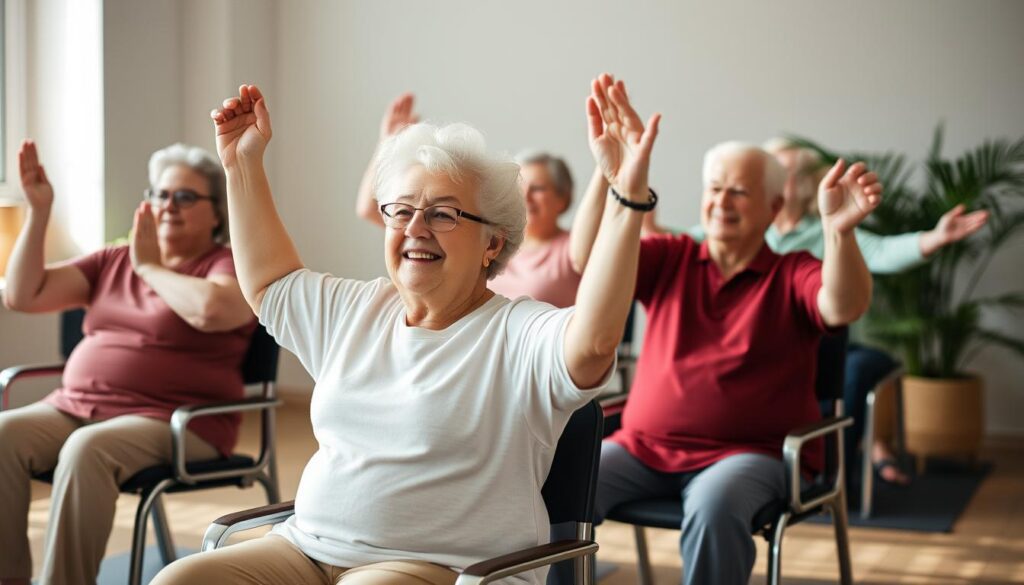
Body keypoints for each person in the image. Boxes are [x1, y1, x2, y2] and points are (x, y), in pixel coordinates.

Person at [152, 76, 659, 585]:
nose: (416, 227)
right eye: (402, 210)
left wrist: (626, 200)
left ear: (491, 244)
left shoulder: (520, 334)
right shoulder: (354, 309)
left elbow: (593, 344)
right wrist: (242, 164)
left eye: (442, 214)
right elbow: (268, 283)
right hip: (304, 549)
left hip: (444, 567)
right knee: (177, 581)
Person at [570, 130, 882, 585]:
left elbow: (843, 305)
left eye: (739, 191)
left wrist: (839, 232)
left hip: (750, 455)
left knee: (715, 505)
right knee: (559, 489)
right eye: (714, 189)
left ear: (775, 208)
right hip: (644, 448)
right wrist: (609, 173)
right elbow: (586, 260)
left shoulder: (792, 271)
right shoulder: (670, 257)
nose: (722, 202)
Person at [0, 141, 256, 585]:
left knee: (88, 449)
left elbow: (213, 310)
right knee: (3, 435)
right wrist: (40, 212)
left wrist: (151, 269)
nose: (168, 205)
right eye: (160, 194)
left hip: (178, 421)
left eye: (185, 196)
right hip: (77, 405)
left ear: (217, 212)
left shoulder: (229, 264)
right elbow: (21, 295)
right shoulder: (113, 260)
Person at [684, 139, 988, 487]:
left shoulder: (828, 228)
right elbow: (678, 241)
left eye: (785, 171)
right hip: (770, 350)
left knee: (853, 371)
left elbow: (885, 251)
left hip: (833, 345)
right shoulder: (739, 228)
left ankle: (832, 472)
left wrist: (933, 238)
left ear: (804, 184)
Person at [355, 93, 663, 308]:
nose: (526, 196)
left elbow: (586, 251)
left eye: (539, 188)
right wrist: (389, 145)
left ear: (563, 198)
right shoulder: (476, 237)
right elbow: (370, 209)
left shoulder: (571, 249)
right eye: (522, 187)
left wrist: (606, 170)